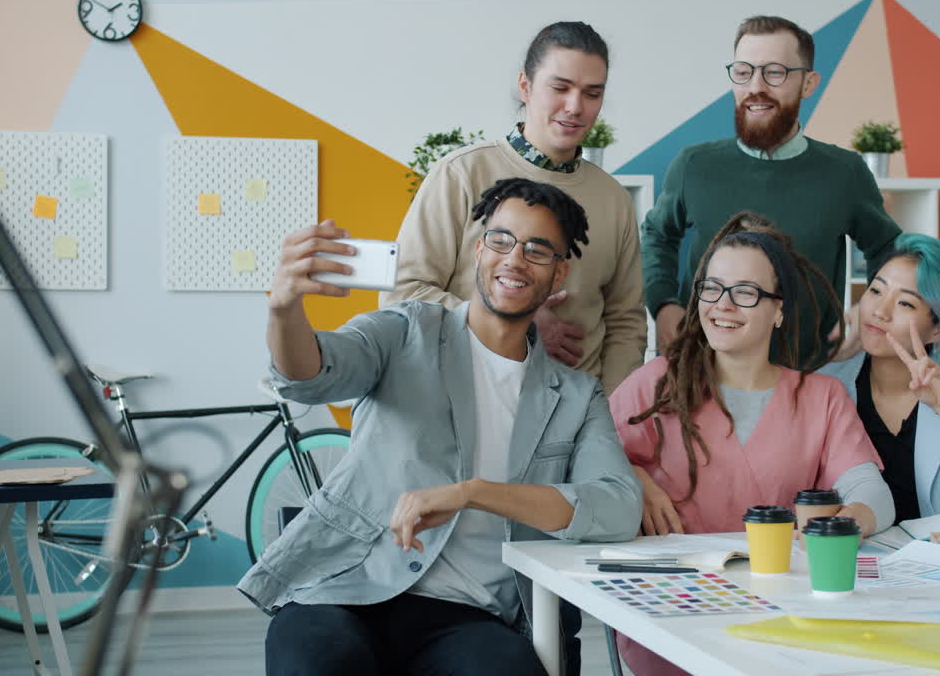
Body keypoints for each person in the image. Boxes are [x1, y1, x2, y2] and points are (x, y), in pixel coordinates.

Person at [243, 178, 642, 676]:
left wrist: (473, 492)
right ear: (479, 250)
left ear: (560, 271)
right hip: (345, 589)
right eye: (501, 240)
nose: (515, 259)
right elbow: (312, 373)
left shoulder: (578, 396)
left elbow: (618, 506)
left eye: (537, 250)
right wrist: (283, 310)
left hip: (472, 619)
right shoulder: (404, 330)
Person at [610, 212, 894, 676]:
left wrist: (844, 524)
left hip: (784, 616)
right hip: (674, 615)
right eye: (712, 288)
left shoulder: (821, 397)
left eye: (745, 293)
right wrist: (631, 476)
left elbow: (871, 490)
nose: (722, 305)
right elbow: (587, 463)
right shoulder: (655, 384)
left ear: (779, 309)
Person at [385, 21, 646, 395]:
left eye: (592, 93)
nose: (575, 107)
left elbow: (626, 322)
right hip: (462, 405)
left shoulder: (615, 200)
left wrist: (610, 415)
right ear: (525, 86)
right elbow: (402, 291)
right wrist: (508, 316)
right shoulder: (461, 174)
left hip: (573, 423)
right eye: (560, 88)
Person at [642, 14, 901, 366]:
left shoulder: (845, 172)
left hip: (808, 374)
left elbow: (890, 249)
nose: (755, 87)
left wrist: (869, 308)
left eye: (774, 72)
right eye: (744, 71)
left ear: (808, 84)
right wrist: (663, 304)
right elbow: (656, 236)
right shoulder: (693, 166)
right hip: (699, 371)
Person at [819, 233, 940, 521]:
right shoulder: (827, 386)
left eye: (905, 304)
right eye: (875, 291)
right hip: (851, 551)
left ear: (938, 329)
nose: (880, 312)